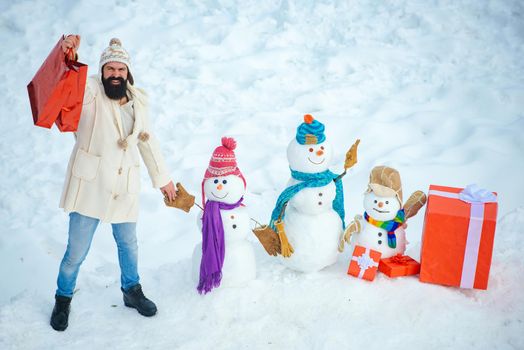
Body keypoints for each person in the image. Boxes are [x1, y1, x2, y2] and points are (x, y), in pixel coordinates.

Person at [48, 35, 177, 331]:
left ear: (127, 73)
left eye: (120, 70)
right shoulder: (90, 91)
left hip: (123, 185)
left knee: (129, 245)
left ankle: (131, 291)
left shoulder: (138, 101)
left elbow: (147, 142)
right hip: (90, 184)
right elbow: (66, 86)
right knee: (75, 252)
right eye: (110, 70)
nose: (115, 75)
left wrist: (164, 180)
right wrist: (68, 56)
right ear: (102, 71)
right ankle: (63, 297)